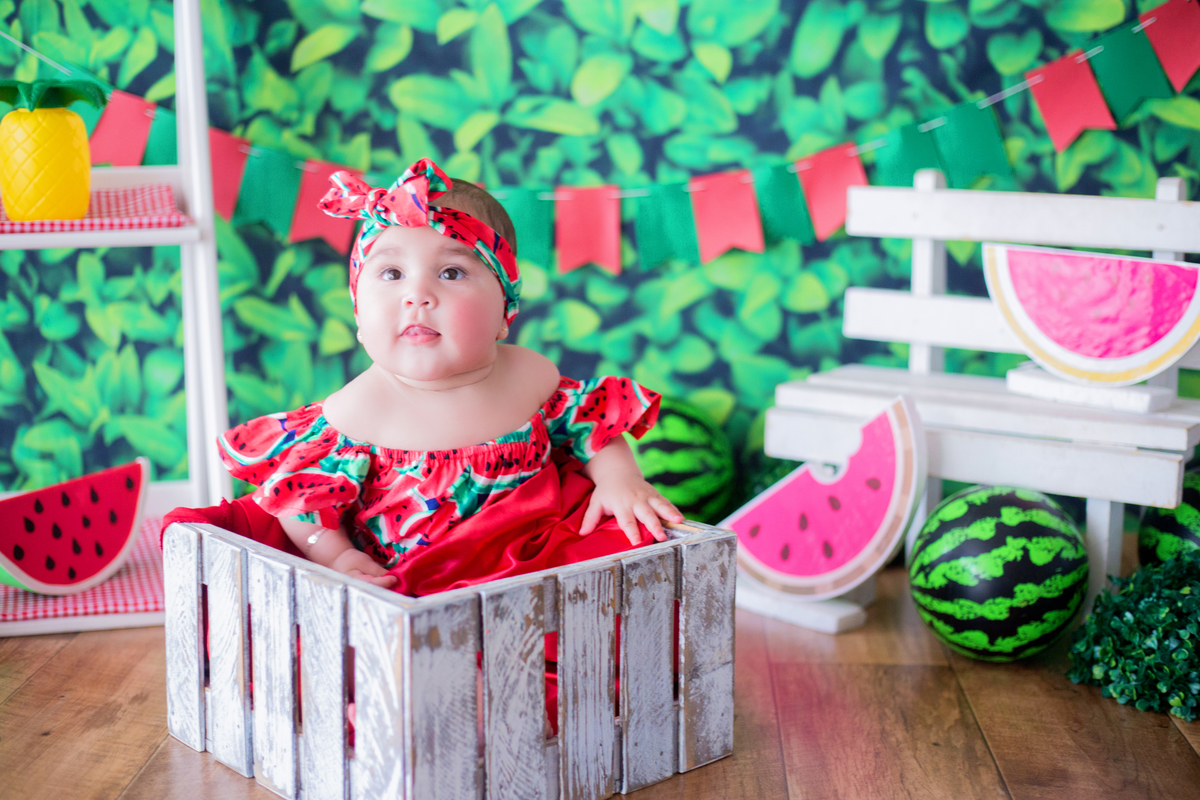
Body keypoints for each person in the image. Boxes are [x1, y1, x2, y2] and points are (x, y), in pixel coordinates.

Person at [169, 158, 683, 596]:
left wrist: (620, 479)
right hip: (417, 585)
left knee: (634, 556)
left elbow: (593, 426)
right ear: (359, 314)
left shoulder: (530, 377)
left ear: (505, 310)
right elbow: (300, 504)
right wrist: (337, 556)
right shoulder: (355, 411)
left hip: (544, 565)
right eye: (391, 274)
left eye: (452, 272)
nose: (417, 295)